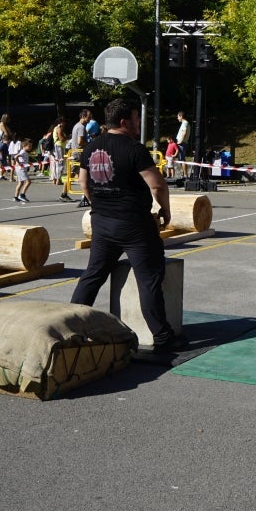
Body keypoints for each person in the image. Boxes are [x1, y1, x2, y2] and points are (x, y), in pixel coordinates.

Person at [69, 98, 185, 353]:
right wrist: (165, 210)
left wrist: (99, 204)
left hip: (102, 222)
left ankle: (71, 328)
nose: (138, 124)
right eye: (136, 119)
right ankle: (162, 336)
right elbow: (156, 184)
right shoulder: (134, 149)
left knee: (93, 275)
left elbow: (84, 184)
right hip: (134, 224)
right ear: (124, 122)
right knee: (149, 279)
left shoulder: (91, 147)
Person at [0, 114, 14, 180]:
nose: (9, 120)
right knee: (2, 163)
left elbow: (9, 132)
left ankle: (0, 175)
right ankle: (0, 175)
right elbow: (6, 132)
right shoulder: (2, 124)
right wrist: (10, 136)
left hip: (4, 140)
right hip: (1, 139)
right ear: (5, 118)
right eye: (8, 119)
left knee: (4, 162)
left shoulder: (5, 124)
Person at [13, 137, 35, 203]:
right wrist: (18, 162)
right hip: (21, 169)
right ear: (24, 146)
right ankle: (22, 195)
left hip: (20, 169)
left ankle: (15, 197)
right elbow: (15, 157)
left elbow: (24, 160)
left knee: (21, 183)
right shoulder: (23, 152)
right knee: (28, 182)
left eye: (31, 146)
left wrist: (29, 163)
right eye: (29, 146)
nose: (30, 147)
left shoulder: (25, 152)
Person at [174, 111, 190, 179]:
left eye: (178, 117)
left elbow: (184, 132)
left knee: (182, 159)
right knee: (181, 159)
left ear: (181, 116)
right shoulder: (186, 123)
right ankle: (184, 174)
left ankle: (185, 175)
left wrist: (180, 141)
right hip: (183, 143)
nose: (177, 118)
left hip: (182, 143)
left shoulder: (184, 123)